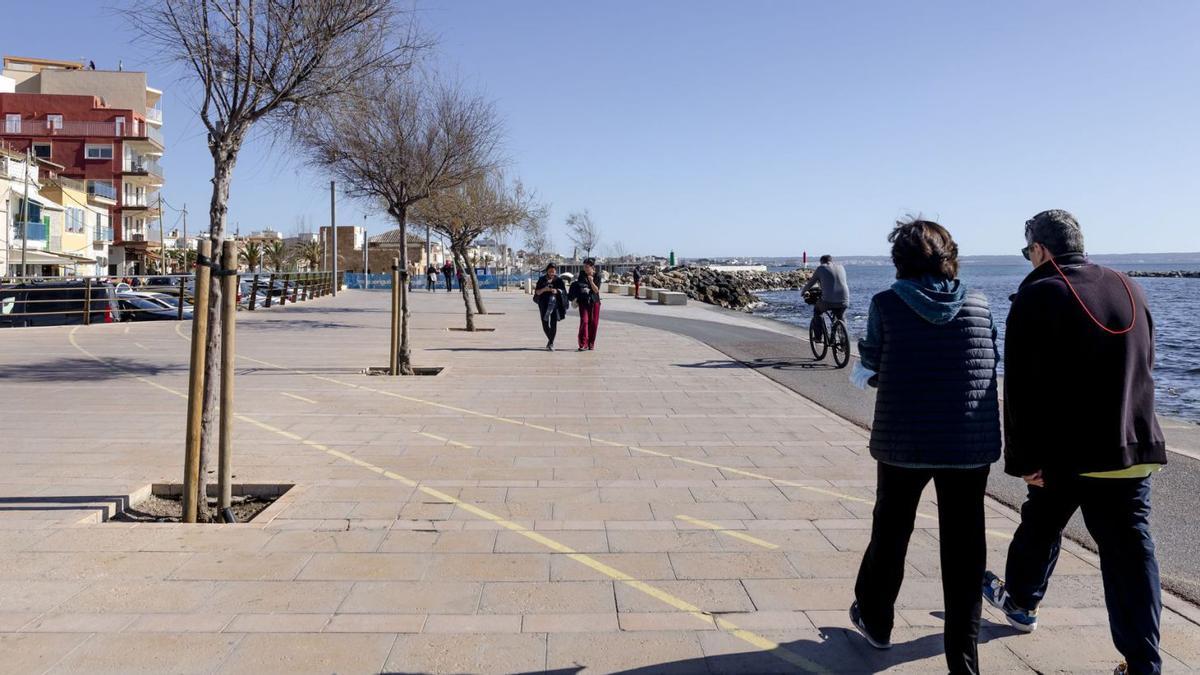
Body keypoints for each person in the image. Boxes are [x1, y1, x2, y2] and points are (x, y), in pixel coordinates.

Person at [983, 210, 1166, 675]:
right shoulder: (1130, 286)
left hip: (1068, 454)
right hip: (1131, 447)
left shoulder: (1037, 293)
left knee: (1040, 525)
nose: (1029, 260)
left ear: (1041, 249)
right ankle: (1143, 662)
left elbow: (1019, 388)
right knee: (1130, 554)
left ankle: (1022, 604)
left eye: (1028, 251)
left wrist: (1022, 459)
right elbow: (1146, 362)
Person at [848, 218, 1000, 675]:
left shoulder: (886, 304)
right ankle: (963, 660)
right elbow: (989, 359)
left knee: (891, 533)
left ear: (900, 261)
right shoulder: (980, 303)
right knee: (965, 548)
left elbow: (870, 365)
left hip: (904, 441)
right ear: (949, 256)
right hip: (968, 444)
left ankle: (876, 621)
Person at [800, 254, 850, 327]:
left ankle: (818, 337)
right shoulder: (841, 267)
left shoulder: (821, 268)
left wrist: (802, 292)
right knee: (841, 315)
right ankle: (844, 335)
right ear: (831, 261)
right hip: (845, 300)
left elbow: (810, 284)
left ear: (822, 261)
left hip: (828, 301)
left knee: (817, 311)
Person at [568, 258, 602, 351]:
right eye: (584, 266)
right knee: (584, 321)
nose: (585, 269)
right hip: (583, 301)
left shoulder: (598, 276)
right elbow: (580, 286)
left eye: (587, 267)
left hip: (594, 301)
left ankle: (591, 343)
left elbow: (596, 290)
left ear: (592, 267)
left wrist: (591, 281)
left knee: (594, 323)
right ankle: (583, 344)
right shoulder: (582, 274)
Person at [533, 263, 567, 350]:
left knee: (553, 324)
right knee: (545, 324)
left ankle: (551, 343)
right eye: (550, 270)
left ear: (556, 271)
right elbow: (537, 292)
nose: (552, 272)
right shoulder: (542, 279)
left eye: (553, 271)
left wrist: (556, 291)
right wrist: (545, 289)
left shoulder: (559, 280)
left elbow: (564, 292)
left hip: (555, 304)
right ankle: (550, 340)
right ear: (547, 270)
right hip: (543, 304)